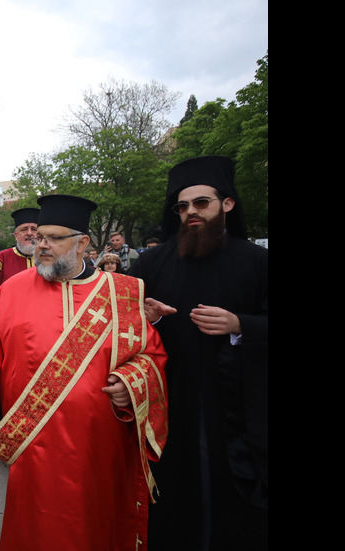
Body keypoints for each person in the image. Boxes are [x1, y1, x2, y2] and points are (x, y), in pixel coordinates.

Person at [0, 195, 168, 551]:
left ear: (82, 243)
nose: (42, 245)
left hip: (100, 446)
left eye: (53, 237)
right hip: (34, 448)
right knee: (36, 530)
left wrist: (132, 383)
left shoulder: (123, 294)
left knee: (93, 527)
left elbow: (150, 355)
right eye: (39, 238)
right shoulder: (11, 291)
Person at [129, 156, 268, 550]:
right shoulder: (152, 263)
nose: (191, 212)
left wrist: (241, 324)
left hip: (239, 412)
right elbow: (121, 329)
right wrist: (147, 319)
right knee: (172, 505)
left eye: (202, 203)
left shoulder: (257, 262)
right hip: (171, 405)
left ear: (227, 204)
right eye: (183, 206)